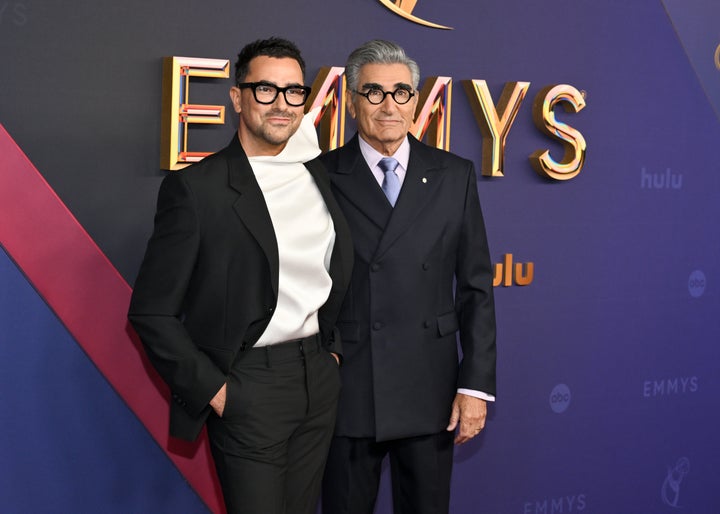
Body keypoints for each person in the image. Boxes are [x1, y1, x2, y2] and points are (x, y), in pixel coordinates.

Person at [128, 37, 353, 514]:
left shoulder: (317, 173)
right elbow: (151, 311)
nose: (281, 104)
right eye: (265, 89)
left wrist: (330, 353)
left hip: (317, 379)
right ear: (237, 97)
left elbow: (333, 270)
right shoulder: (197, 190)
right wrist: (218, 392)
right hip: (249, 388)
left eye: (294, 91)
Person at [319, 40, 497, 514]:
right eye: (374, 92)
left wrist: (474, 385)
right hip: (350, 387)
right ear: (352, 100)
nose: (389, 105)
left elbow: (476, 287)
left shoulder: (453, 174)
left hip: (431, 389)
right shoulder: (319, 175)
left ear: (416, 100)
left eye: (401, 92)